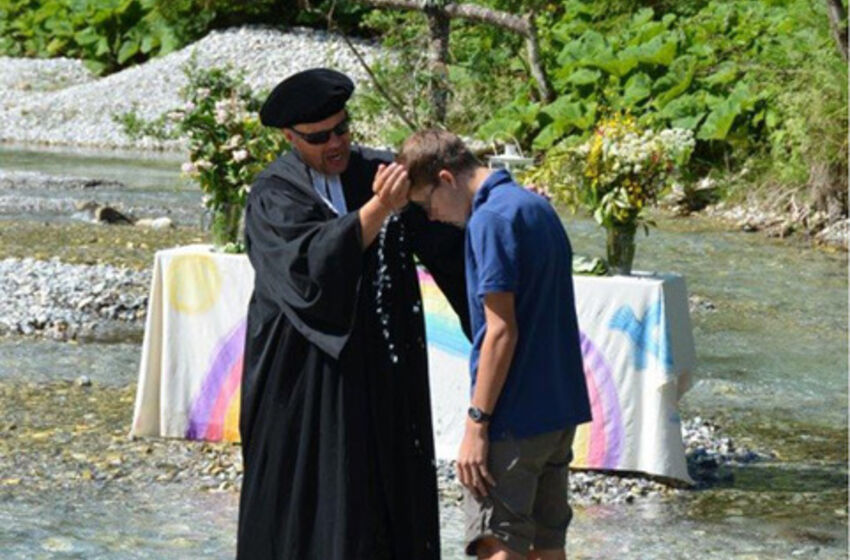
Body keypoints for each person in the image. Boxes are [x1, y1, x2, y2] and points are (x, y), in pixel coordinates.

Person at [238, 69, 469, 560]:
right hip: (301, 378)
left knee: (379, 493)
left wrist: (501, 204)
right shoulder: (273, 194)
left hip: (378, 372)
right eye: (319, 138)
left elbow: (447, 216)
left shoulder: (375, 173)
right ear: (289, 137)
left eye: (342, 129)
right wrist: (378, 210)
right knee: (307, 499)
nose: (336, 144)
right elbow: (310, 266)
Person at [397, 129, 592, 560]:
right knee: (547, 545)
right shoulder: (534, 205)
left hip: (513, 415)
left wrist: (476, 424)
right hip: (558, 409)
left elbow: (501, 330)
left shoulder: (490, 220)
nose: (429, 217)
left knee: (496, 543)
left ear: (446, 179)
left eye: (425, 204)